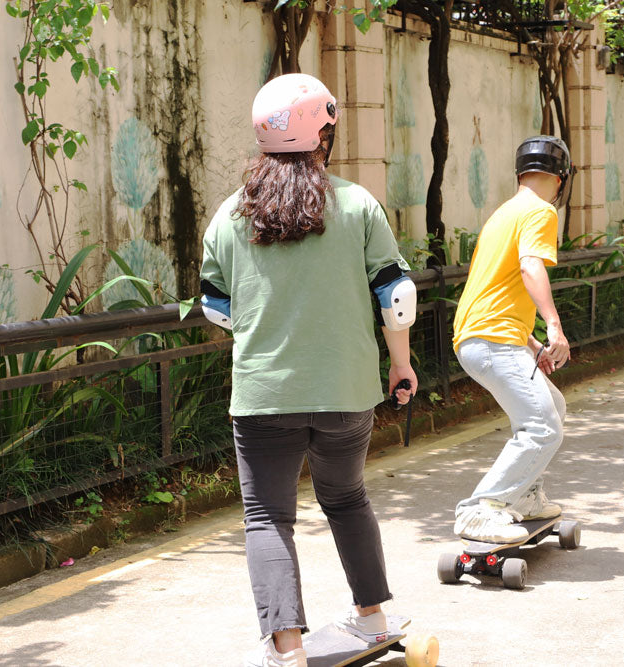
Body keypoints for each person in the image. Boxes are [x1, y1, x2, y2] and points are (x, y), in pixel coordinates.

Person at [199, 73, 418, 667]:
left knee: (268, 517)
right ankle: (373, 617)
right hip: (347, 390)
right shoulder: (356, 204)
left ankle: (288, 651)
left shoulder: (228, 217)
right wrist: (400, 365)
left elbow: (214, 307)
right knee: (346, 498)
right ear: (322, 132)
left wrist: (262, 324)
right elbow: (396, 297)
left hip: (264, 394)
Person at [450, 135, 573, 544]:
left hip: (486, 335)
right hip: (491, 340)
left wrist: (531, 344)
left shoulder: (504, 213)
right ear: (560, 179)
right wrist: (553, 326)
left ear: (521, 173)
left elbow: (497, 290)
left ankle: (526, 495)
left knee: (553, 406)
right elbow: (529, 266)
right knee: (542, 428)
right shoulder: (540, 211)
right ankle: (482, 509)